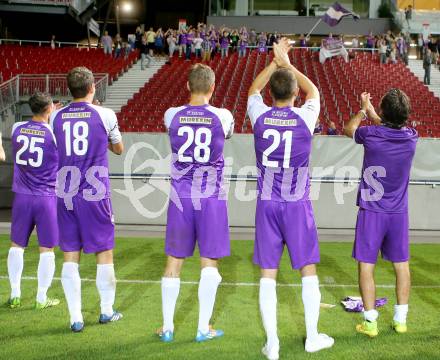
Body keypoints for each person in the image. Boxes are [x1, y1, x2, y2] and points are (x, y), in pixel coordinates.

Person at [247, 38, 334, 359]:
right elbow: (316, 93)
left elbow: (252, 92)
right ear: (294, 92)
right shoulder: (305, 116)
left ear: (272, 92)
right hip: (297, 204)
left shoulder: (259, 115)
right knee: (307, 270)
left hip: (267, 203)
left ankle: (272, 345)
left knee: (268, 275)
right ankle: (312, 337)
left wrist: (275, 61)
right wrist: (288, 63)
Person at [158, 63, 234, 343]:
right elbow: (227, 135)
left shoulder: (172, 114)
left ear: (188, 86)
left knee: (173, 262)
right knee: (209, 263)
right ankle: (203, 328)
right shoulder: (223, 115)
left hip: (181, 197)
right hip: (211, 197)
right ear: (213, 88)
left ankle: (167, 327)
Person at [50, 67, 124, 332]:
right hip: (95, 192)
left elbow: (57, 148)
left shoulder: (55, 117)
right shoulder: (104, 114)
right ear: (93, 87)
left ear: (70, 89)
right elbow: (118, 148)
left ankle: (75, 317)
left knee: (70, 254)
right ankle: (106, 311)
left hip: (65, 191)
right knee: (104, 252)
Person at [344, 89, 417, 338]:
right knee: (402, 266)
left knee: (366, 265)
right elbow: (389, 126)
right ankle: (400, 320)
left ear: (383, 112)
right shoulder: (411, 137)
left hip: (372, 211)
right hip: (398, 213)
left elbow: (349, 128)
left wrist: (364, 110)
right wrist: (376, 112)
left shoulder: (370, 134)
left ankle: (370, 322)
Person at [8, 91, 60, 310]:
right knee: (46, 249)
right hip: (46, 197)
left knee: (16, 246)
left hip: (21, 196)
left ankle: (15, 294)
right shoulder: (53, 133)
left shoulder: (16, 128)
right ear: (48, 109)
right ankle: (41, 298)